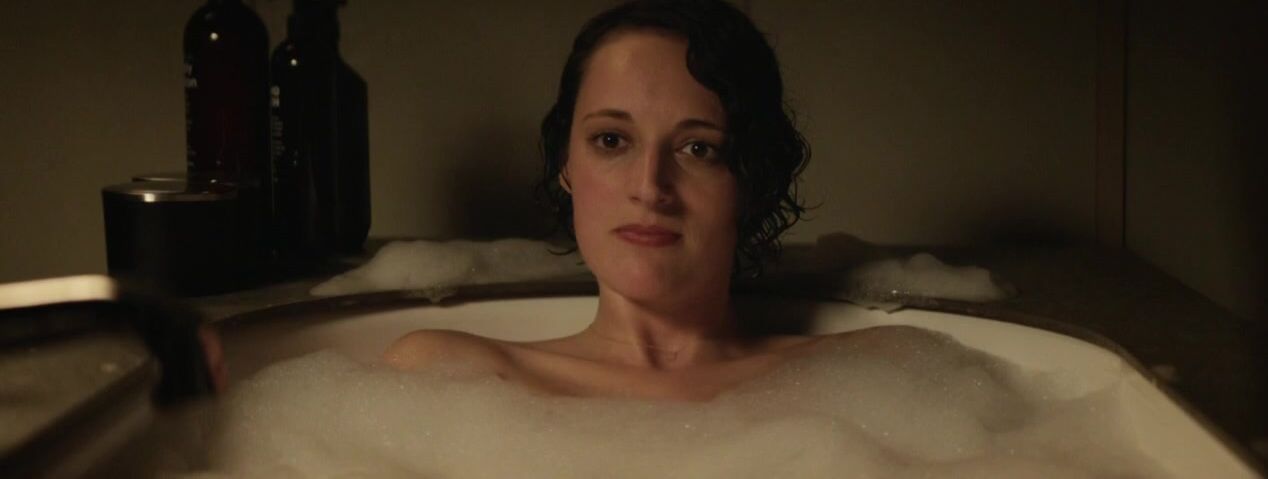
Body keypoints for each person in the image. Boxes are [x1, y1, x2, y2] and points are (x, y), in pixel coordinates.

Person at [384, 0, 836, 401]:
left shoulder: (846, 380)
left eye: (699, 148)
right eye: (611, 140)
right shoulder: (446, 377)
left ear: (753, 180)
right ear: (566, 164)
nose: (649, 187)